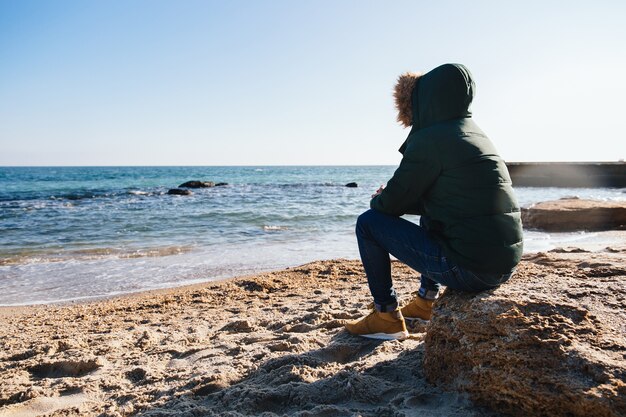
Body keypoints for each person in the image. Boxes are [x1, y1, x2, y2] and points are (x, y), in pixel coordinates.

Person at [345, 63, 523, 340]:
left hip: (470, 270)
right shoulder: (474, 133)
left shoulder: (431, 139)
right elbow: (451, 198)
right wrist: (404, 200)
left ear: (426, 98)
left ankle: (385, 316)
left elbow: (387, 207)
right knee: (430, 216)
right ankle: (426, 302)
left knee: (368, 223)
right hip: (502, 264)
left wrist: (381, 198)